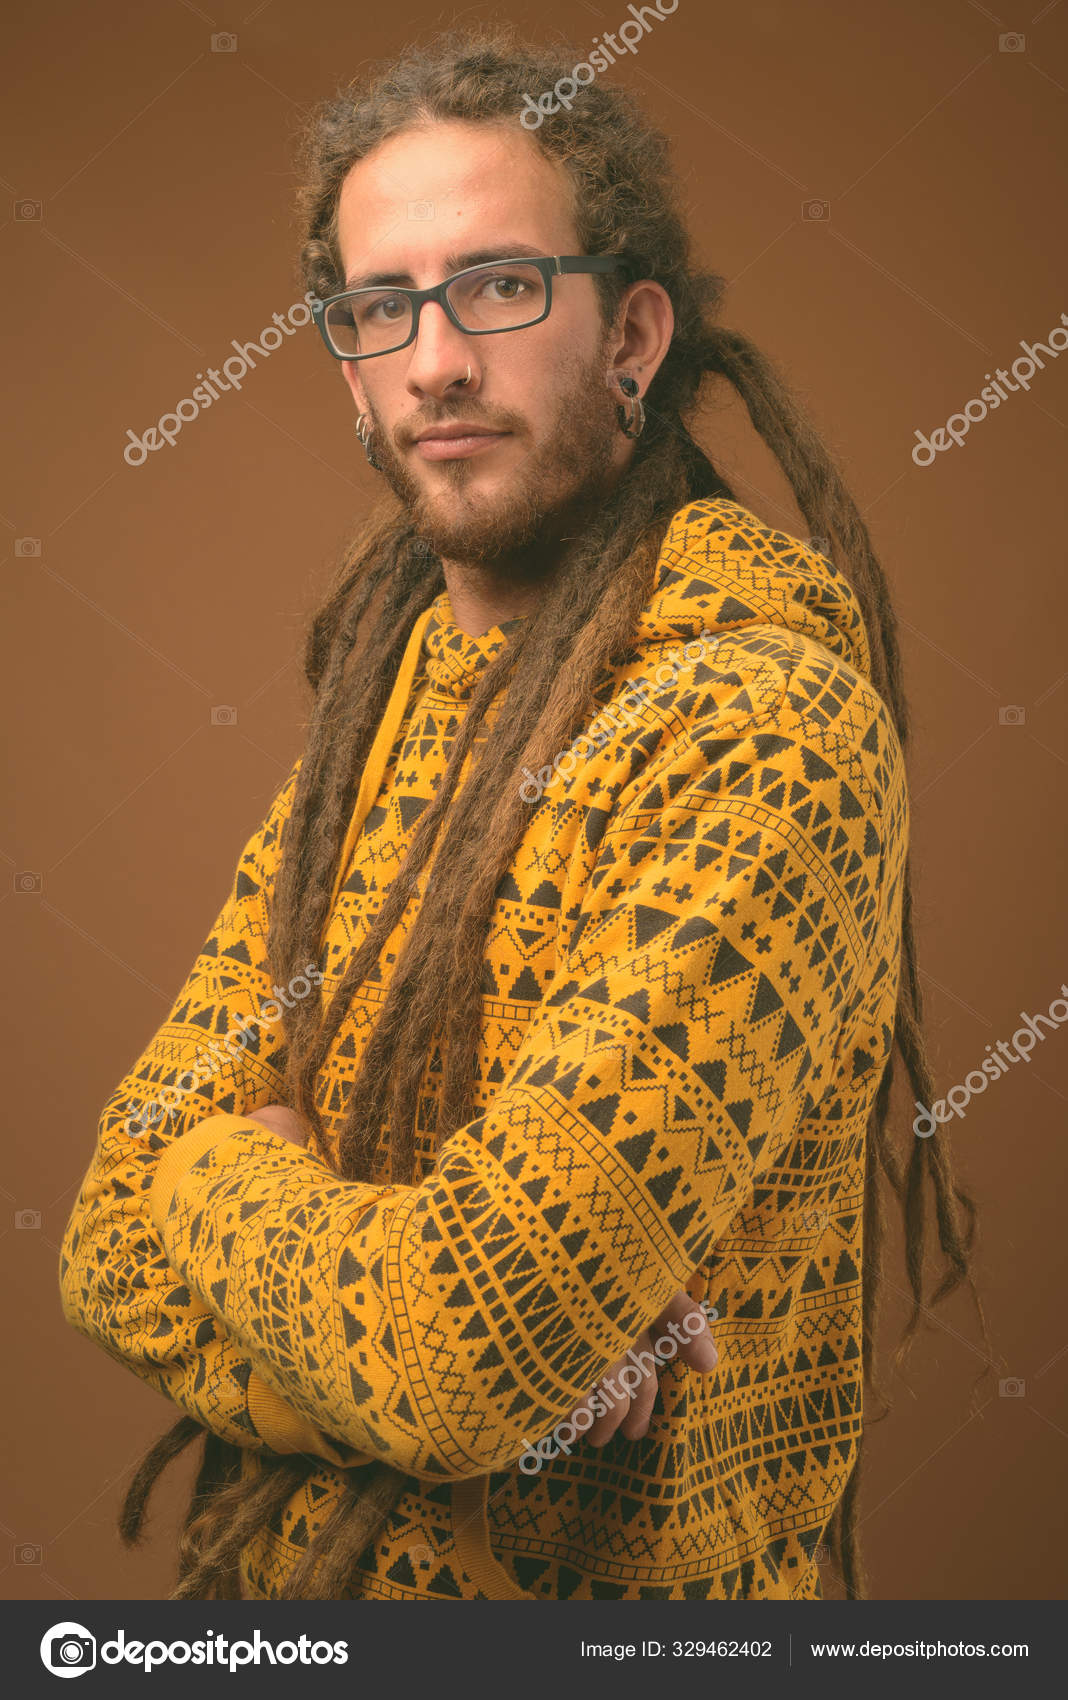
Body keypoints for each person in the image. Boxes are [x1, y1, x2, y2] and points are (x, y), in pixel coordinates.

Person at [59, 23, 990, 1603]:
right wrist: (412, 1326)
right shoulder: (384, 714)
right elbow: (103, 1239)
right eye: (380, 306)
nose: (435, 361)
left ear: (632, 333)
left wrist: (225, 1167)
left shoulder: (764, 729)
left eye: (497, 285)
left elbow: (456, 1353)